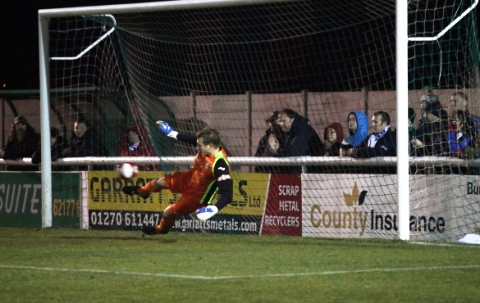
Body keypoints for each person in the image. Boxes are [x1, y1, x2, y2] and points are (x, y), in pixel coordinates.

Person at [122, 122, 233, 236]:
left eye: (199, 145)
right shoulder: (207, 146)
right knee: (158, 182)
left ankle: (160, 229)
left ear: (209, 145)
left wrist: (214, 208)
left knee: (167, 213)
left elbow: (227, 195)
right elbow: (193, 139)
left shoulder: (220, 165)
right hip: (189, 178)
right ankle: (143, 192)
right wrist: (172, 133)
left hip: (195, 198)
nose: (196, 147)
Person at [273, 108, 325, 173]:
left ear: (292, 120)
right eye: (280, 122)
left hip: (311, 175)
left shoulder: (302, 131)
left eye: (283, 121)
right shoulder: (291, 132)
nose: (281, 124)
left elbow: (293, 154)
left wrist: (277, 151)